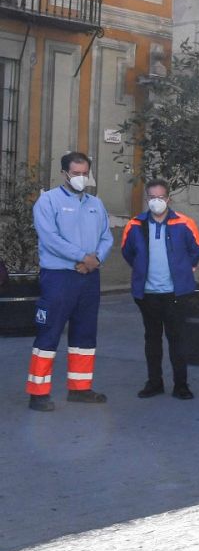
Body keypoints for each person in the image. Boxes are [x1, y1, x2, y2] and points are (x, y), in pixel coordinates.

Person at [26, 151, 112, 412]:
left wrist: (95, 259)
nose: (81, 178)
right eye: (76, 173)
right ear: (64, 173)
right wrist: (82, 257)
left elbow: (107, 236)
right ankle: (38, 393)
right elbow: (50, 238)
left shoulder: (96, 203)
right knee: (49, 332)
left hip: (89, 277)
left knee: (85, 333)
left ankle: (80, 389)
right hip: (59, 277)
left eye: (85, 173)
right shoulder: (48, 202)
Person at [121, 179, 199, 401]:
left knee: (177, 339)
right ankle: (154, 382)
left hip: (176, 293)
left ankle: (181, 385)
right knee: (152, 339)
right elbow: (127, 252)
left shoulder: (185, 223)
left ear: (169, 199)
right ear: (147, 200)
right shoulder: (135, 225)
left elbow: (196, 250)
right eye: (152, 197)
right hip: (147, 294)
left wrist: (185, 270)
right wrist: (140, 270)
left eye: (161, 197)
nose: (156, 201)